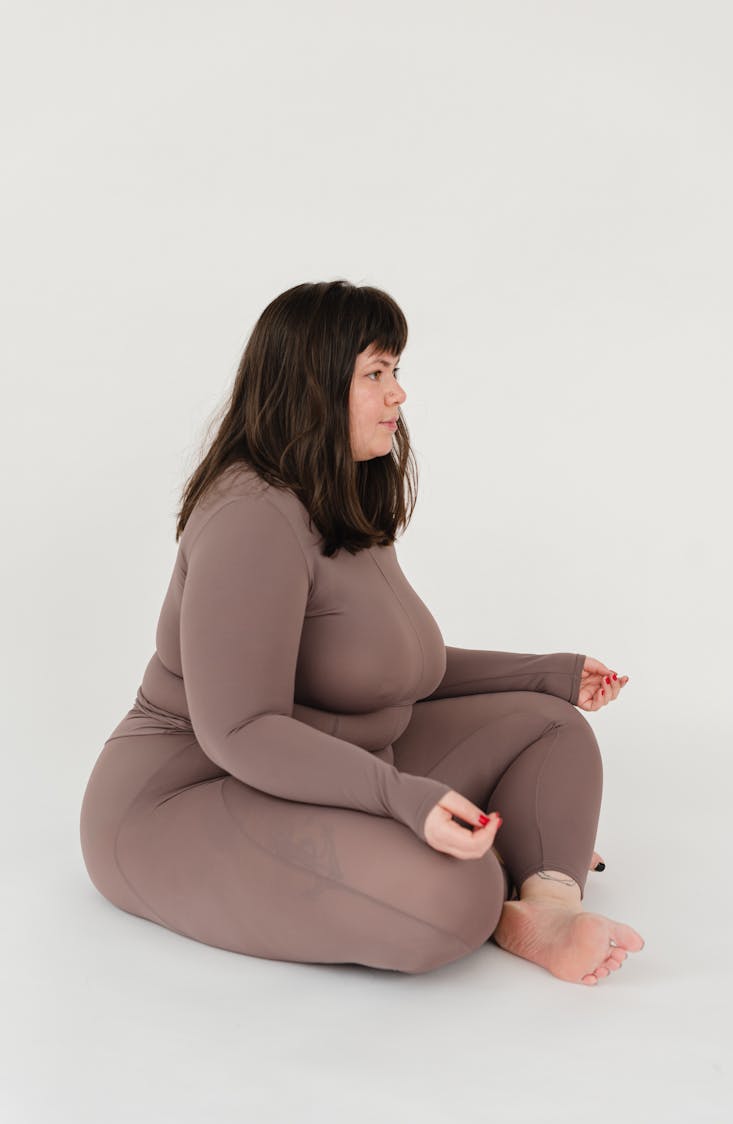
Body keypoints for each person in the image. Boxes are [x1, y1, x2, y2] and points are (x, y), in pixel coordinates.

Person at [79, 279, 645, 984]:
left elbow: (397, 668)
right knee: (453, 896)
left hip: (312, 765)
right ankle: (494, 878)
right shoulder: (249, 517)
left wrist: (545, 673)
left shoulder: (337, 495)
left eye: (396, 371)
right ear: (310, 388)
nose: (398, 394)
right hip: (185, 796)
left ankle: (547, 905)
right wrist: (399, 797)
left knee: (553, 729)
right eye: (375, 374)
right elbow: (242, 729)